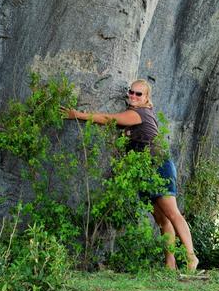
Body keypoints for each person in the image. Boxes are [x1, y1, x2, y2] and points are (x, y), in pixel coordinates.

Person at [60, 79, 199, 271]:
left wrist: (78, 115)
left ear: (146, 98)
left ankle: (192, 257)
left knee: (172, 214)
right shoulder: (136, 115)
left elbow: (109, 119)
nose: (133, 96)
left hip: (158, 166)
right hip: (143, 170)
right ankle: (170, 264)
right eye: (131, 92)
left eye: (138, 94)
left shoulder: (138, 113)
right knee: (161, 219)